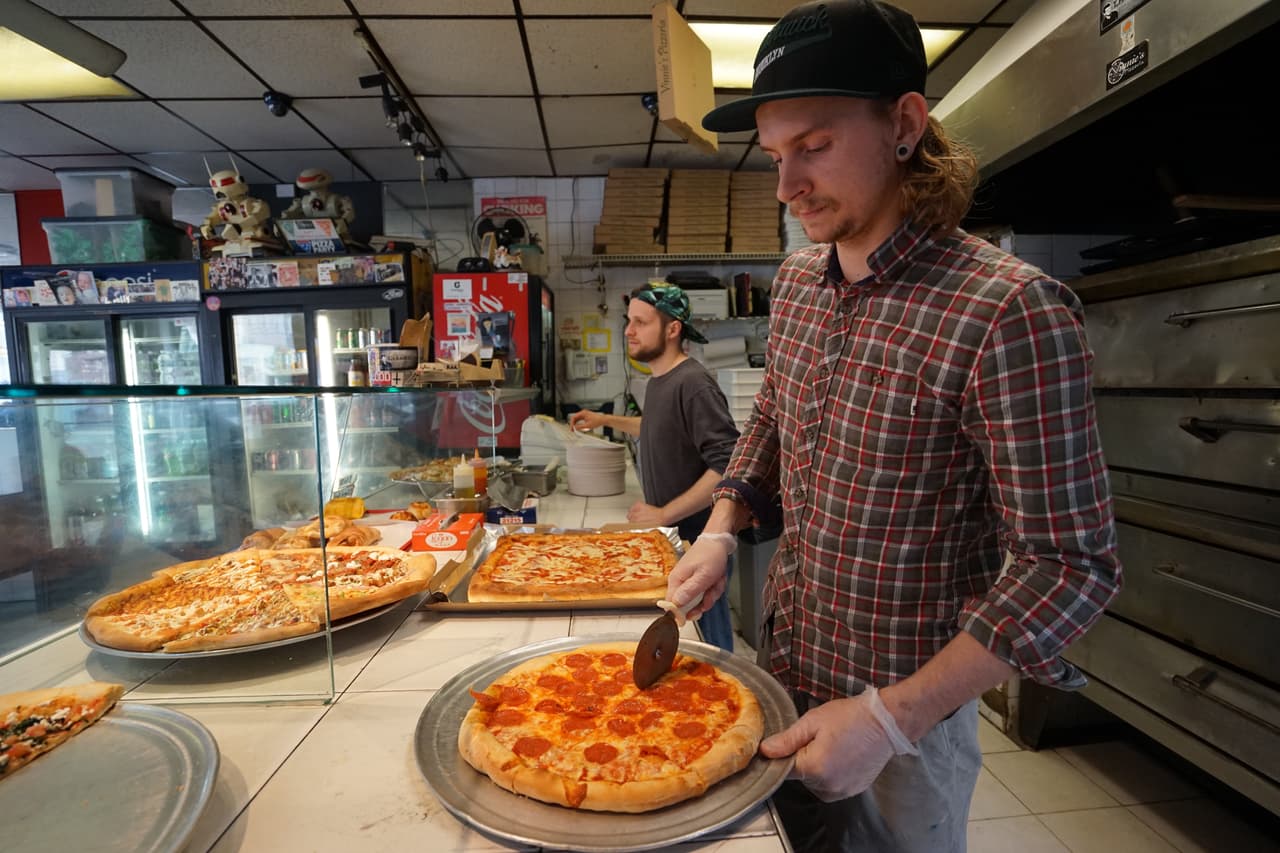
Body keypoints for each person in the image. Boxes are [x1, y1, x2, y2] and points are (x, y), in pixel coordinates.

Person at [667, 2, 1123, 851]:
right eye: (774, 154)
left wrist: (886, 717)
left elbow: (1071, 566)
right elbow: (772, 415)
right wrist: (724, 527)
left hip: (904, 727)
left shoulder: (1009, 309)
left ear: (905, 125)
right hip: (782, 683)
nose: (785, 184)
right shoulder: (799, 283)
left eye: (814, 146)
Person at [569, 284, 741, 652]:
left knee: (710, 647)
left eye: (640, 322)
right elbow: (655, 425)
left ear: (672, 329)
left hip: (699, 544)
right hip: (673, 540)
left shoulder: (693, 383)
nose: (628, 331)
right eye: (629, 321)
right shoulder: (661, 380)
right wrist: (602, 418)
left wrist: (662, 512)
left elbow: (727, 464)